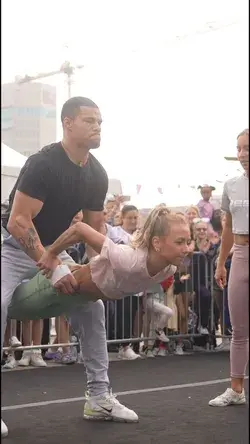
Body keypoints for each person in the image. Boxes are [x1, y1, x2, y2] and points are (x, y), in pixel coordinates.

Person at [1, 97, 138, 438]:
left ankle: (98, 397)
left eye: (100, 122)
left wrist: (103, 271)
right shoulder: (43, 163)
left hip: (55, 249)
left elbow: (95, 232)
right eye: (90, 120)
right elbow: (19, 222)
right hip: (13, 247)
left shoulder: (96, 173)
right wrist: (52, 268)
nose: (97, 127)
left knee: (93, 304)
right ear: (67, 123)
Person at [8, 206, 190, 321]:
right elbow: (80, 229)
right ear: (156, 243)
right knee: (9, 310)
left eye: (188, 242)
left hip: (76, 299)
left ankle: (99, 383)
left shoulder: (168, 269)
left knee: (92, 318)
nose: (187, 248)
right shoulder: (128, 259)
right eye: (180, 242)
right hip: (55, 286)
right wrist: (51, 253)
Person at [209, 128, 249, 407]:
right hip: (241, 256)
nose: (243, 154)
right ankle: (236, 389)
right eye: (239, 148)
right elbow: (228, 227)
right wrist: (221, 262)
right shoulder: (231, 185)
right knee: (238, 329)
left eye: (248, 148)